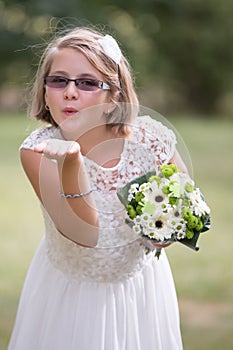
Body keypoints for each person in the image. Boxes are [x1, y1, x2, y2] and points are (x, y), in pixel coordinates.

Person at [8, 27, 186, 350]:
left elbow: (176, 215)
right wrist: (71, 164)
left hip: (139, 291)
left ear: (113, 95)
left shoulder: (151, 141)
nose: (70, 92)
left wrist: (163, 230)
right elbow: (85, 234)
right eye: (58, 80)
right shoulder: (38, 150)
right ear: (45, 91)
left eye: (87, 83)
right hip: (71, 295)